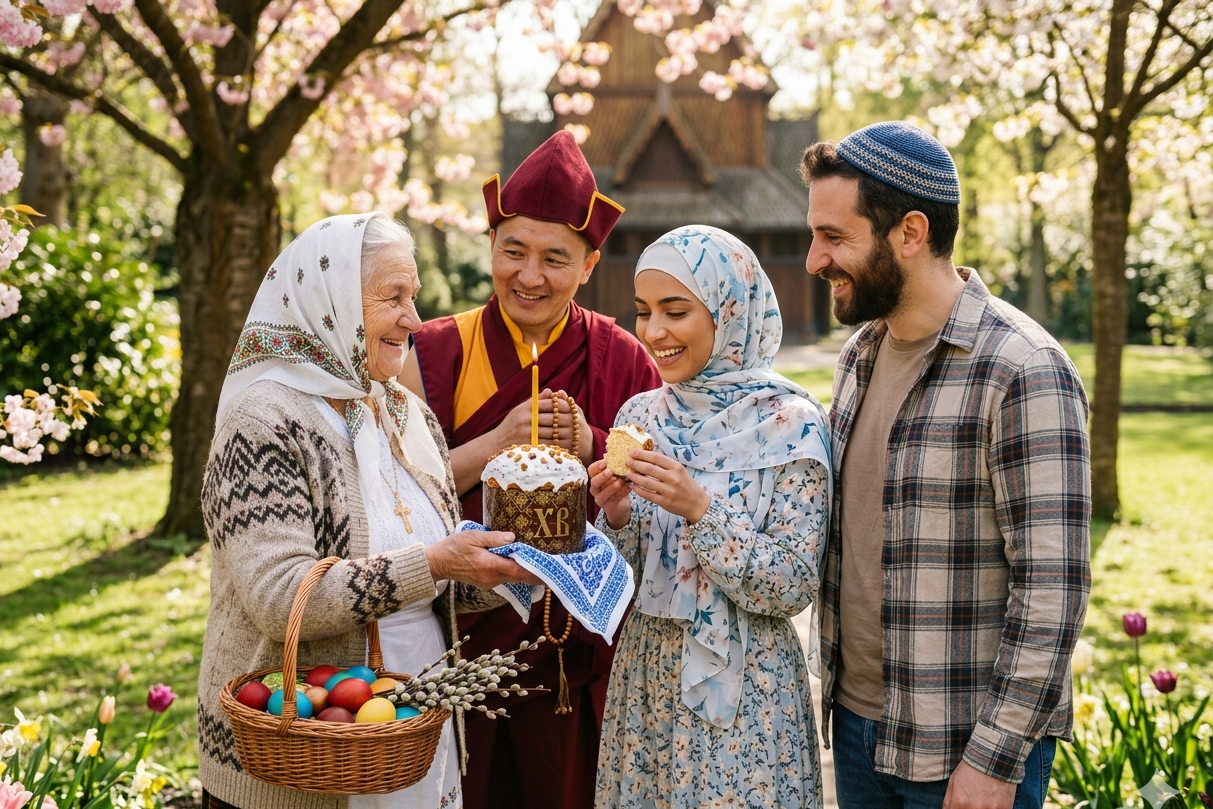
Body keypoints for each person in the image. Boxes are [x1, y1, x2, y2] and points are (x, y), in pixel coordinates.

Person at [197, 213, 539, 809]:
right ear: (329, 302)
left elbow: (433, 589)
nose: (414, 319)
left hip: (408, 733)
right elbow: (280, 599)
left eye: (414, 296)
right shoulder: (263, 421)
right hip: (303, 755)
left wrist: (518, 567)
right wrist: (435, 562)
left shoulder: (404, 411)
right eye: (393, 297)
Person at [801, 122, 1091, 809]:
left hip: (964, 747)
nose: (814, 260)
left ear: (910, 232)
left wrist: (994, 759)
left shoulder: (1023, 368)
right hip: (856, 731)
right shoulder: (859, 355)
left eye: (834, 237)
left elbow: (1052, 590)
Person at [400, 131, 661, 809]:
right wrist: (493, 443)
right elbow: (394, 494)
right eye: (513, 251)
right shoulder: (432, 351)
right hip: (453, 648)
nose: (530, 276)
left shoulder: (622, 357)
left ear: (589, 264)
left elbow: (660, 487)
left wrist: (593, 442)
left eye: (555, 258)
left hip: (574, 656)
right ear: (490, 244)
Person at [588, 225, 831, 809]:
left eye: (676, 311)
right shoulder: (641, 414)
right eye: (643, 311)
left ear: (730, 311)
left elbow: (793, 584)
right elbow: (626, 580)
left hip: (749, 687)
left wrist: (699, 509)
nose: (654, 331)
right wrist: (616, 515)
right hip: (647, 677)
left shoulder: (790, 423)